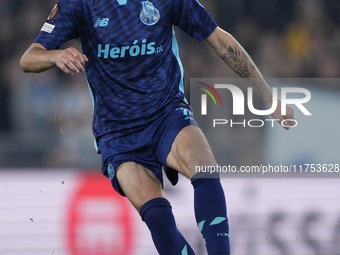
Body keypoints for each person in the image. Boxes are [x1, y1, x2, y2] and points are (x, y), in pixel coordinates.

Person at [20, 0, 295, 254]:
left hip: (166, 113)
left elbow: (220, 41)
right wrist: (55, 56)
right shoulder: (79, 4)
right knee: (158, 218)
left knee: (204, 166)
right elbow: (29, 58)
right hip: (118, 134)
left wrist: (268, 95)